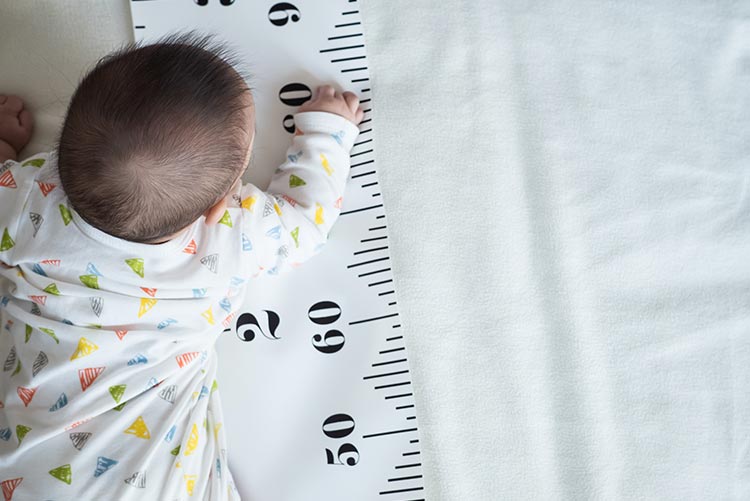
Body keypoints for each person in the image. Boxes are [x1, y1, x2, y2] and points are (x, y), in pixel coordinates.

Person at [0, 32, 362, 499]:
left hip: (33, 473)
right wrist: (327, 134)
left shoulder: (27, 197)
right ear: (219, 204)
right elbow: (306, 224)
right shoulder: (228, 237)